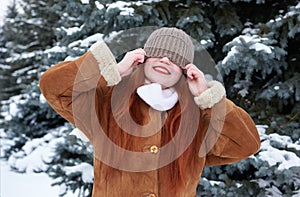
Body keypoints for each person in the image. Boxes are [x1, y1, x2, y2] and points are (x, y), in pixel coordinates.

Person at [40, 27, 261, 197]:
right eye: (159, 54)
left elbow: (246, 144)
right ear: (143, 60)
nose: (166, 60)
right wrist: (112, 71)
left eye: (175, 60)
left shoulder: (198, 117)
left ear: (184, 72)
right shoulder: (107, 103)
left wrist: (206, 97)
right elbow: (53, 86)